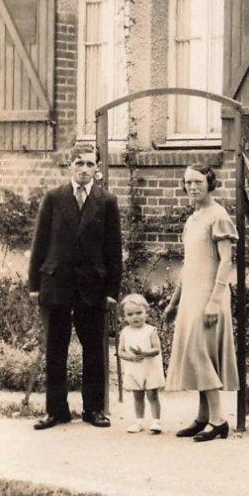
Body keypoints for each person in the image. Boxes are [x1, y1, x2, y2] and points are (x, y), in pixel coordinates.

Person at [28, 144, 123, 430]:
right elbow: (39, 243)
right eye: (78, 163)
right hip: (56, 284)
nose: (84, 169)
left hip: (92, 287)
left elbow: (113, 250)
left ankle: (93, 409)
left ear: (97, 168)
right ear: (69, 165)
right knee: (55, 348)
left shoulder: (106, 201)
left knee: (93, 348)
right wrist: (34, 285)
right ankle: (57, 410)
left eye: (90, 164)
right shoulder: (54, 198)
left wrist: (111, 291)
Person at [164, 164, 238, 441]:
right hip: (191, 297)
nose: (192, 187)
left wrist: (214, 301)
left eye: (197, 182)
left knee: (200, 354)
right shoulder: (193, 219)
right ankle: (203, 417)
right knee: (197, 355)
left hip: (210, 296)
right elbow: (189, 265)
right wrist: (173, 303)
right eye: (188, 183)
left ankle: (219, 421)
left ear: (209, 183)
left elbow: (226, 261)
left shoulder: (218, 216)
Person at [118, 293, 165, 434]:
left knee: (152, 394)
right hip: (134, 368)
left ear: (146, 312)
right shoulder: (125, 332)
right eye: (130, 314)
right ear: (124, 317)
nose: (135, 317)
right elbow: (120, 351)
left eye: (139, 313)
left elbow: (156, 349)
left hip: (149, 368)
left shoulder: (150, 331)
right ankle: (139, 421)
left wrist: (144, 352)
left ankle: (156, 421)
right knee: (137, 395)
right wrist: (131, 357)